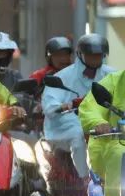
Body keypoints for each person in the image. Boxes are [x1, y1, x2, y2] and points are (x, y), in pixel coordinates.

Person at [43, 34, 113, 181]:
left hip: (105, 124)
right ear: (81, 55)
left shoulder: (112, 74)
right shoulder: (63, 76)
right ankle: (86, 179)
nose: (95, 58)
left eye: (99, 55)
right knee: (79, 135)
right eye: (91, 55)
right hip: (68, 125)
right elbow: (50, 103)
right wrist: (62, 106)